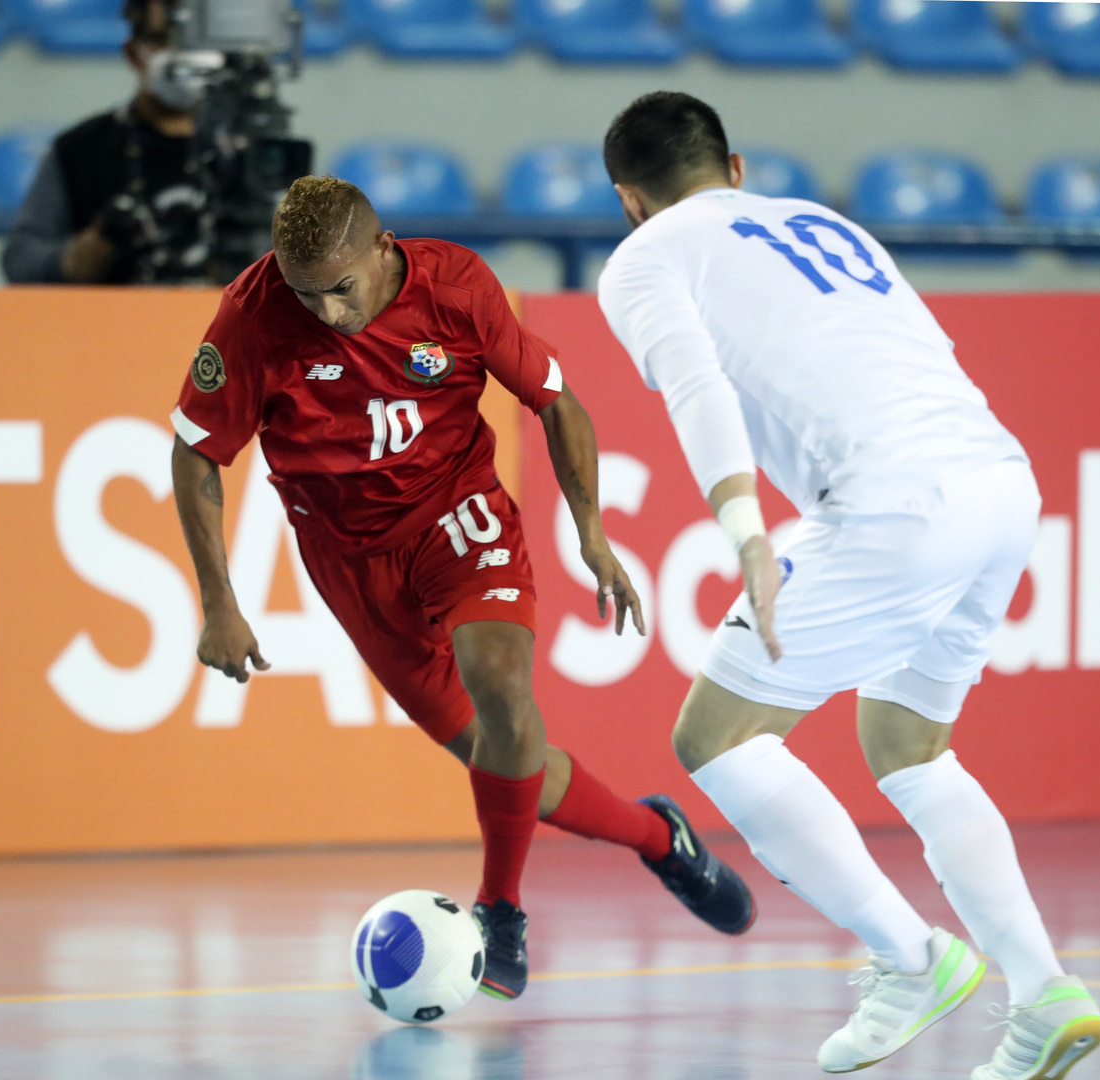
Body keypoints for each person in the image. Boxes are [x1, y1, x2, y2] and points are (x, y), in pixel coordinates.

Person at [596, 92, 1100, 1080]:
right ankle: (1044, 994)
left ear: (628, 198)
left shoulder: (646, 256)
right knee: (909, 745)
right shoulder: (826, 221)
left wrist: (744, 527)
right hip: (1002, 482)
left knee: (717, 738)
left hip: (894, 504)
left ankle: (910, 958)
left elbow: (697, 385)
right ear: (735, 167)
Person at [169, 174, 756, 1002]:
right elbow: (196, 453)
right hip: (351, 563)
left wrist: (591, 534)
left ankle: (502, 909)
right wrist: (218, 603)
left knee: (504, 693)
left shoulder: (456, 288)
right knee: (497, 759)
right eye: (308, 295)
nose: (328, 313)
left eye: (342, 289)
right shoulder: (252, 317)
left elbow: (556, 403)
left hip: (458, 516)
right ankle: (659, 838)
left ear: (383, 249)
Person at [2, 0, 211, 285]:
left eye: (191, 42)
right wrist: (91, 248)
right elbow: (20, 259)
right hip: (112, 323)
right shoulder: (81, 149)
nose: (179, 57)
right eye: (161, 40)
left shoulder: (251, 151)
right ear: (132, 53)